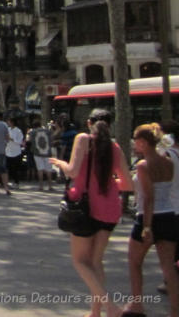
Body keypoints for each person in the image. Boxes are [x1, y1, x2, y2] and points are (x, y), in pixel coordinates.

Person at [50, 111, 133, 317]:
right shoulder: (115, 148)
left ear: (89, 123)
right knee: (96, 261)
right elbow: (128, 183)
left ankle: (110, 307)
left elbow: (73, 171)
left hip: (85, 208)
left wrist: (59, 163)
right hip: (110, 209)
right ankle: (95, 312)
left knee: (80, 261)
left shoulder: (83, 139)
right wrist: (109, 184)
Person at [121, 123, 179, 317]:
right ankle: (175, 310)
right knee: (168, 267)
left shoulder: (143, 165)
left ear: (143, 142)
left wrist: (146, 227)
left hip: (149, 217)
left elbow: (148, 198)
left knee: (134, 262)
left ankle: (137, 305)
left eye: (136, 141)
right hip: (169, 215)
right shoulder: (168, 162)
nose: (134, 145)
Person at [28, 119, 54, 191]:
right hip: (47, 152)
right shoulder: (47, 131)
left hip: (37, 152)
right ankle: (50, 186)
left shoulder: (32, 132)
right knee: (49, 169)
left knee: (40, 169)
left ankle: (41, 186)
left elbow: (29, 140)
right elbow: (51, 139)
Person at [5, 117, 24, 188]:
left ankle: (16, 182)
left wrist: (12, 139)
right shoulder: (8, 130)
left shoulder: (18, 131)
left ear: (12, 122)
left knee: (15, 169)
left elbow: (20, 141)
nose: (8, 123)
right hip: (8, 151)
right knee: (8, 168)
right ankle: (8, 181)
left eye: (9, 121)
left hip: (16, 152)